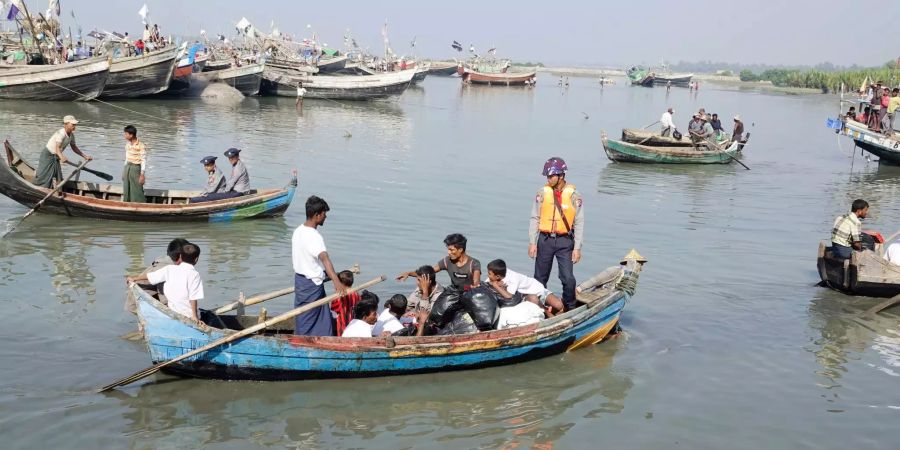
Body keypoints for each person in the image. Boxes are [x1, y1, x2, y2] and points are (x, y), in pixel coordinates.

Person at [528, 157, 583, 311]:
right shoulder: (542, 193)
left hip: (565, 241)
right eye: (547, 176)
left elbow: (579, 222)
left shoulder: (574, 196)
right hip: (544, 240)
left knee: (568, 278)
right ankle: (538, 308)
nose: (548, 179)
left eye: (551, 176)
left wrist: (577, 248)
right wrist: (533, 242)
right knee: (540, 278)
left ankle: (570, 308)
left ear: (561, 176)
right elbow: (535, 217)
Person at [292, 196, 348, 336]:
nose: (325, 217)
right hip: (311, 285)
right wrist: (337, 282)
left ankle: (310, 340)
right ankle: (306, 344)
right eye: (324, 214)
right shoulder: (314, 236)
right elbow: (325, 259)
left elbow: (308, 260)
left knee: (312, 317)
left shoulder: (298, 231)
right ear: (317, 215)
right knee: (309, 318)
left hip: (301, 281)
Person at [126, 242, 204, 323]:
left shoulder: (169, 268)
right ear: (196, 259)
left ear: (180, 256)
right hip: (188, 315)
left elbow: (150, 276)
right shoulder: (195, 274)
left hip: (172, 312)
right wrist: (195, 317)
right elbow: (193, 297)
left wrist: (134, 278)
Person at [396, 233, 481, 290]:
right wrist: (408, 273)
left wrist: (468, 288)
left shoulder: (474, 263)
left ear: (460, 249)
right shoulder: (447, 261)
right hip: (455, 291)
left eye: (452, 250)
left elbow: (476, 283)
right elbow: (428, 273)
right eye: (448, 250)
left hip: (470, 292)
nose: (449, 252)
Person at [485, 259, 564, 314]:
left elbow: (509, 296)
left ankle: (547, 309)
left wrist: (496, 285)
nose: (488, 276)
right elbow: (485, 284)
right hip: (528, 296)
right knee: (534, 299)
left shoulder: (513, 279)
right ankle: (546, 311)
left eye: (489, 274)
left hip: (538, 290)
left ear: (498, 276)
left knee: (559, 306)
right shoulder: (498, 274)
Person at [34, 115, 92, 188]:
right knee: (44, 175)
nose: (74, 126)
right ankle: (39, 186)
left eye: (75, 125)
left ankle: (56, 190)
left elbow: (74, 147)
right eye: (72, 124)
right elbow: (57, 148)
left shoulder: (71, 135)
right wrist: (62, 157)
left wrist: (85, 156)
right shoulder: (61, 133)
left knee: (58, 176)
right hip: (48, 155)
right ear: (66, 124)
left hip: (56, 156)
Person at [121, 125, 147, 203]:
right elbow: (126, 158)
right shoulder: (127, 144)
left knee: (137, 187)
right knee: (126, 187)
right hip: (127, 167)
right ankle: (127, 203)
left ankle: (140, 204)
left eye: (126, 134)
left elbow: (143, 160)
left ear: (131, 135)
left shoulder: (141, 145)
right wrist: (123, 171)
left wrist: (142, 174)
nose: (124, 136)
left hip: (135, 168)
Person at [330, 270, 360, 336]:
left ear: (340, 283)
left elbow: (334, 313)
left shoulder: (338, 297)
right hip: (354, 326)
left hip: (342, 328)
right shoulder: (357, 295)